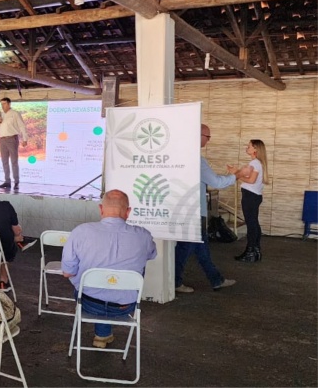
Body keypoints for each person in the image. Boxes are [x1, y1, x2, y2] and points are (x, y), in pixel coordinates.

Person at [61, 189, 157, 349]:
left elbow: (67, 272)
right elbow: (152, 255)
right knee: (135, 269)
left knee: (92, 279)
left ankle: (102, 334)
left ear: (101, 209)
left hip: (88, 302)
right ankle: (102, 335)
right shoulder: (144, 235)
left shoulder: (81, 232)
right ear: (128, 212)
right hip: (125, 306)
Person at [174, 124, 239, 293]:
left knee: (200, 248)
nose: (208, 140)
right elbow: (216, 182)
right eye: (207, 136)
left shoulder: (179, 156)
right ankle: (174, 282)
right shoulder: (197, 160)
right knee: (184, 249)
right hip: (194, 213)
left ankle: (216, 279)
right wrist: (236, 176)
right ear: (199, 135)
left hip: (184, 210)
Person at [234, 139, 268, 263]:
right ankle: (255, 250)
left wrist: (236, 175)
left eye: (249, 146)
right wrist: (238, 172)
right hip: (254, 196)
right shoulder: (257, 163)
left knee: (251, 224)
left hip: (250, 196)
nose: (246, 148)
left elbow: (251, 180)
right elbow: (249, 177)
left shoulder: (255, 163)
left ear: (255, 149)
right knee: (253, 223)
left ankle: (251, 252)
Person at [0, 97, 28, 190]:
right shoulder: (1, 114)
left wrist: (25, 139)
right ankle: (7, 181)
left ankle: (16, 182)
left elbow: (22, 126)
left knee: (14, 161)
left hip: (12, 139)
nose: (2, 106)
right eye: (1, 104)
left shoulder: (15, 114)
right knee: (4, 161)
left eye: (4, 104)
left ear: (9, 104)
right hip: (2, 140)